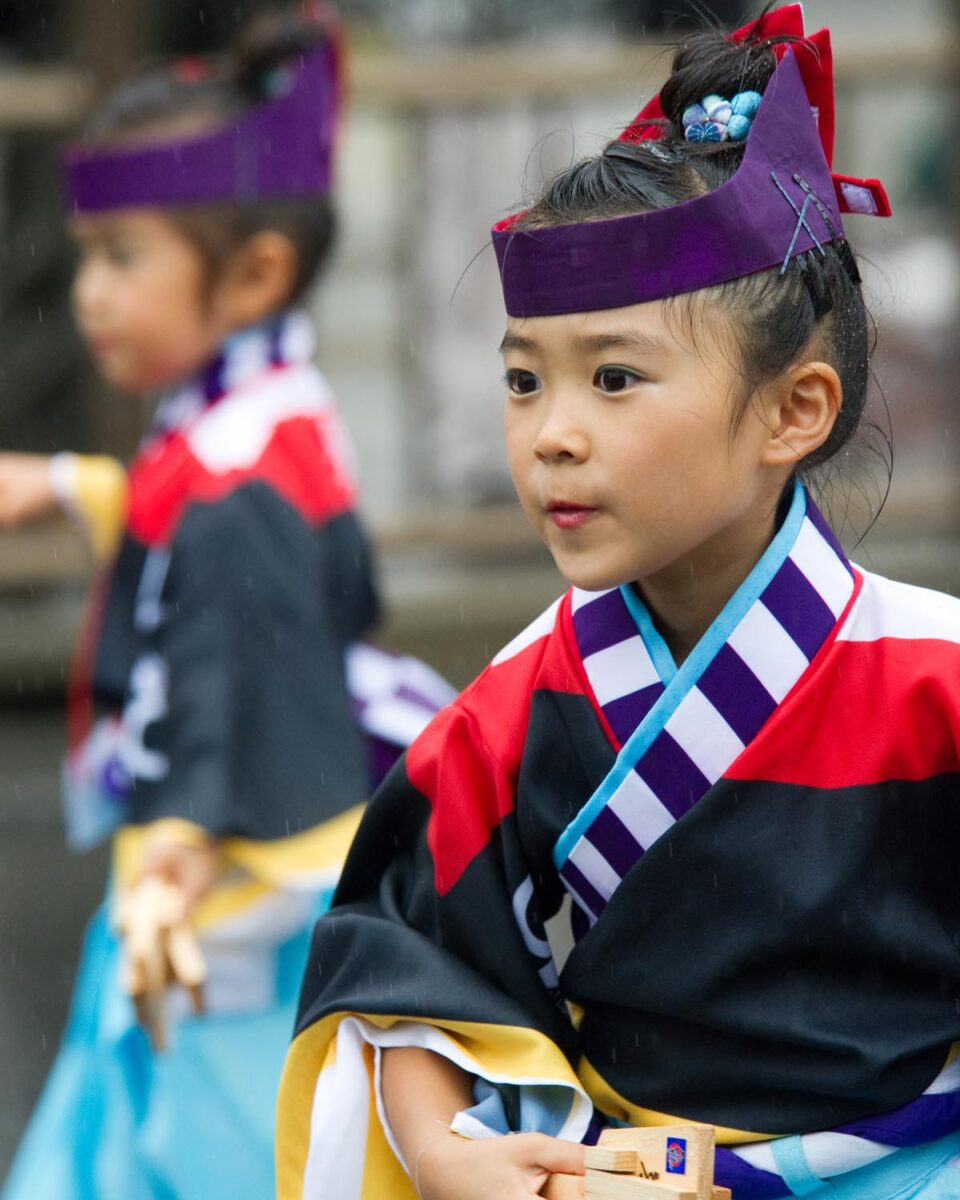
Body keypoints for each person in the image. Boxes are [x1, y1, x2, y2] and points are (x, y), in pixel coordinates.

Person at [276, 6, 960, 1200]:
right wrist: (450, 1156)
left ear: (794, 410)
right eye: (523, 382)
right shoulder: (516, 702)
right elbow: (400, 961)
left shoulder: (936, 681)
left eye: (614, 378)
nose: (552, 437)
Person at [0, 7, 453, 1199]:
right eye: (87, 254)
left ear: (251, 271)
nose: (89, 292)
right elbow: (254, 565)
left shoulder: (228, 475)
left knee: (216, 1133)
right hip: (281, 817)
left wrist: (175, 859)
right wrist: (63, 486)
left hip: (224, 870)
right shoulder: (274, 406)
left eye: (122, 258)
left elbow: (212, 666)